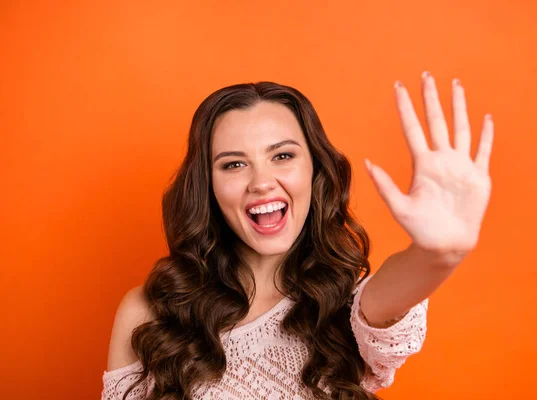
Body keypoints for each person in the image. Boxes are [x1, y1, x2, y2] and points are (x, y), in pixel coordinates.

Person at [101, 71, 494, 400]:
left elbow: (395, 290)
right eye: (234, 164)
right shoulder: (149, 311)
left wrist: (436, 254)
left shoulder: (346, 305)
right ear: (208, 187)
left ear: (315, 170)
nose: (261, 182)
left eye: (282, 156)